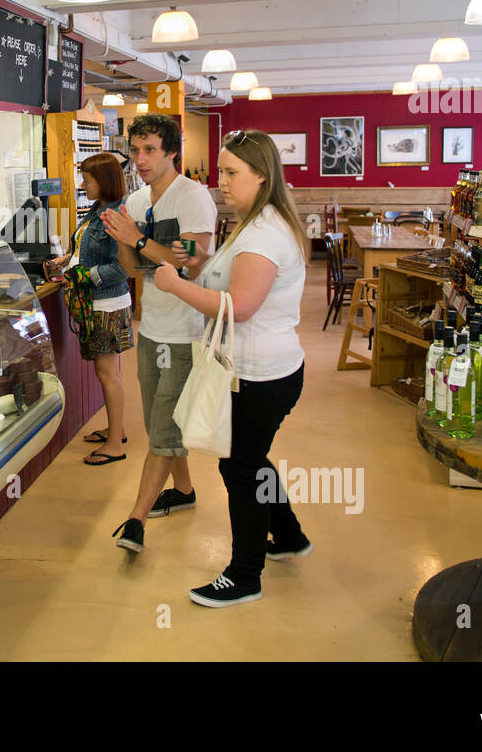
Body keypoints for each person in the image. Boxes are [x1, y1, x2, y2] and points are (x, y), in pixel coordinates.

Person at [151, 128, 309, 607]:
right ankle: (288, 536)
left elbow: (239, 306)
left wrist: (174, 285)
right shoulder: (256, 221)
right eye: (220, 170)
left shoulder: (262, 233)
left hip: (260, 374)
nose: (221, 180)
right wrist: (202, 259)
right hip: (267, 368)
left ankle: (245, 575)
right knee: (251, 458)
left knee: (239, 468)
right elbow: (232, 278)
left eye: (231, 172)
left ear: (261, 176)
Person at [101, 114, 217, 553]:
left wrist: (136, 237)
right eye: (135, 150)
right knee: (157, 423)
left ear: (171, 152)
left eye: (150, 149)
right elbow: (132, 270)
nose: (141, 158)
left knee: (165, 426)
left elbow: (191, 261)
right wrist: (126, 240)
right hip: (150, 328)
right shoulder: (134, 202)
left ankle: (135, 520)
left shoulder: (194, 198)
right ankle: (183, 491)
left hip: (187, 330)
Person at [44, 153, 133, 466]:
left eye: (87, 179)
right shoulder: (99, 209)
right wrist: (66, 261)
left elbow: (121, 268)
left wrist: (84, 275)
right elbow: (85, 248)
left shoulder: (116, 215)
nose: (82, 184)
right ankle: (116, 430)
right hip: (100, 303)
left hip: (106, 303)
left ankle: (115, 446)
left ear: (104, 181)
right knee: (111, 371)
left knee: (107, 373)